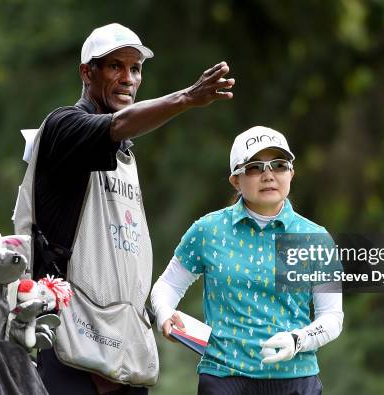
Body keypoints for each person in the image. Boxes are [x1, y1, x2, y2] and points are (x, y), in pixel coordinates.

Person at [12, 23, 234, 395]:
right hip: (69, 340)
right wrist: (186, 98)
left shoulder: (125, 155)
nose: (128, 78)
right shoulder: (62, 127)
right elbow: (116, 125)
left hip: (122, 347)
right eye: (115, 66)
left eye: (135, 69)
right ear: (87, 72)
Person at [150, 126, 343, 394]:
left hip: (295, 378)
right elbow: (168, 286)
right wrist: (164, 313)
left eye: (279, 165)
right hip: (224, 377)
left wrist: (298, 340)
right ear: (235, 180)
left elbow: (332, 317)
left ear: (291, 174)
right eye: (254, 167)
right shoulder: (208, 230)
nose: (268, 175)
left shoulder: (315, 237)